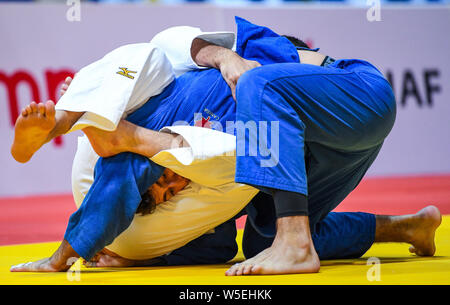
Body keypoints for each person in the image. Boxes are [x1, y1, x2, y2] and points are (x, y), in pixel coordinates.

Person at [9, 17, 440, 275]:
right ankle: (406, 226)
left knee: (255, 83)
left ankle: (65, 119)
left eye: (162, 182)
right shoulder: (205, 177)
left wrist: (62, 255)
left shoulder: (158, 109)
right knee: (259, 241)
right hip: (330, 149)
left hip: (359, 94)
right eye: (169, 196)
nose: (174, 185)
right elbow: (211, 247)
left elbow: (118, 177)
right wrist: (141, 258)